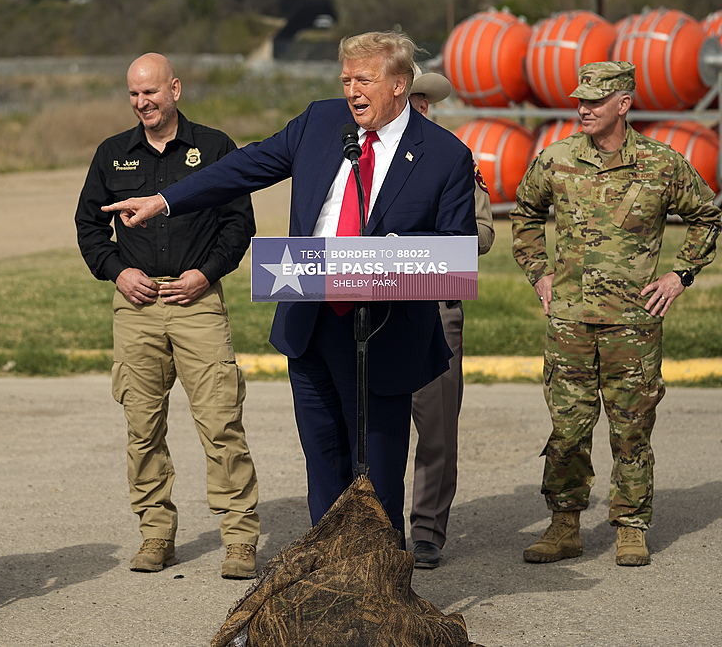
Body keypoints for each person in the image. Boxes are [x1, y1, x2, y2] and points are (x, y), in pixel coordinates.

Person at [102, 31, 478, 543]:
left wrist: (391, 259)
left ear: (398, 84)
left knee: (378, 475)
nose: (351, 91)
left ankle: (380, 586)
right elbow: (245, 166)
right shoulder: (322, 122)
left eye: (363, 80)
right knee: (323, 461)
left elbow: (456, 250)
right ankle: (324, 573)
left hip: (385, 333)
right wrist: (166, 200)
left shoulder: (443, 155)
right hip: (311, 323)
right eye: (345, 79)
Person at [511, 61, 720, 567]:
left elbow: (707, 216)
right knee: (567, 428)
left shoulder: (661, 164)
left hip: (634, 322)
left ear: (623, 104)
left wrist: (679, 276)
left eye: (595, 101)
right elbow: (524, 213)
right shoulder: (557, 158)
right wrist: (539, 273)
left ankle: (630, 525)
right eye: (579, 99)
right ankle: (564, 526)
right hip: (570, 321)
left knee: (631, 427)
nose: (582, 108)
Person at [75, 53, 260, 579]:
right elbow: (89, 226)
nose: (142, 103)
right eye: (133, 95)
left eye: (150, 92)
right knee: (142, 428)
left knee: (222, 422)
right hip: (136, 306)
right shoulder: (112, 154)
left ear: (174, 89)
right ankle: (156, 535)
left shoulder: (216, 147)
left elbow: (237, 224)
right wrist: (117, 271)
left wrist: (206, 273)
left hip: (196, 301)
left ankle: (240, 540)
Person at [407, 65, 495, 569]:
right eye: (410, 99)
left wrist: (422, 240)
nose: (418, 107)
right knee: (374, 422)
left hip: (437, 303)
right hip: (376, 306)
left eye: (424, 100)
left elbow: (482, 234)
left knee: (437, 425)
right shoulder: (360, 156)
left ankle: (427, 530)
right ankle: (372, 525)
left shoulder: (454, 158)